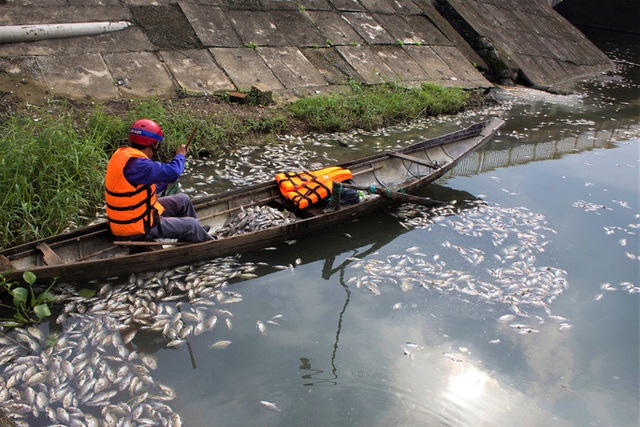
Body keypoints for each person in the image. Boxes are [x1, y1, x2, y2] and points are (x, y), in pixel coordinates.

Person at [105, 118, 214, 243]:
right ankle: (208, 240)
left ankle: (197, 233)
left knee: (183, 200)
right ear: (151, 144)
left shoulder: (125, 157)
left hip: (140, 215)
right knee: (191, 224)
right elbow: (173, 172)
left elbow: (147, 189)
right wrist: (180, 155)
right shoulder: (138, 165)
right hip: (136, 228)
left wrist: (164, 180)